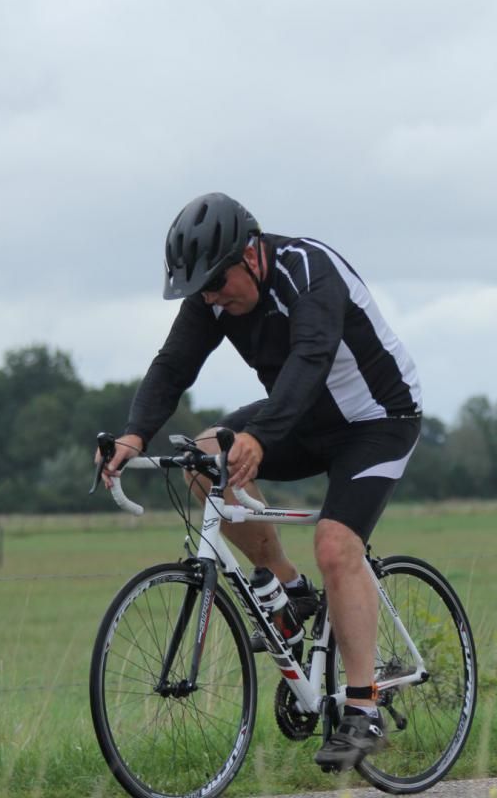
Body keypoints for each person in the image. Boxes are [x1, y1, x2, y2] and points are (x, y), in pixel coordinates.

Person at [98, 192, 422, 772]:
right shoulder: (212, 295)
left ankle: (364, 705)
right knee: (203, 457)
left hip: (377, 420)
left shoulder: (308, 270)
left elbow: (311, 357)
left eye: (219, 283)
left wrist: (263, 435)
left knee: (335, 541)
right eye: (202, 290)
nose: (213, 298)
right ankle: (289, 589)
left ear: (251, 253)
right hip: (306, 418)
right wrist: (133, 437)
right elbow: (173, 366)